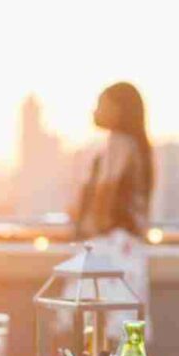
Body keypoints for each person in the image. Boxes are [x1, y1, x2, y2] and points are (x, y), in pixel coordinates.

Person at [69, 82, 156, 342]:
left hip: (112, 249)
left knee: (100, 329)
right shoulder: (137, 147)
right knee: (123, 332)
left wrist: (84, 220)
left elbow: (103, 199)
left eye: (101, 104)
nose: (94, 111)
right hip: (128, 250)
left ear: (119, 110)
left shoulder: (120, 145)